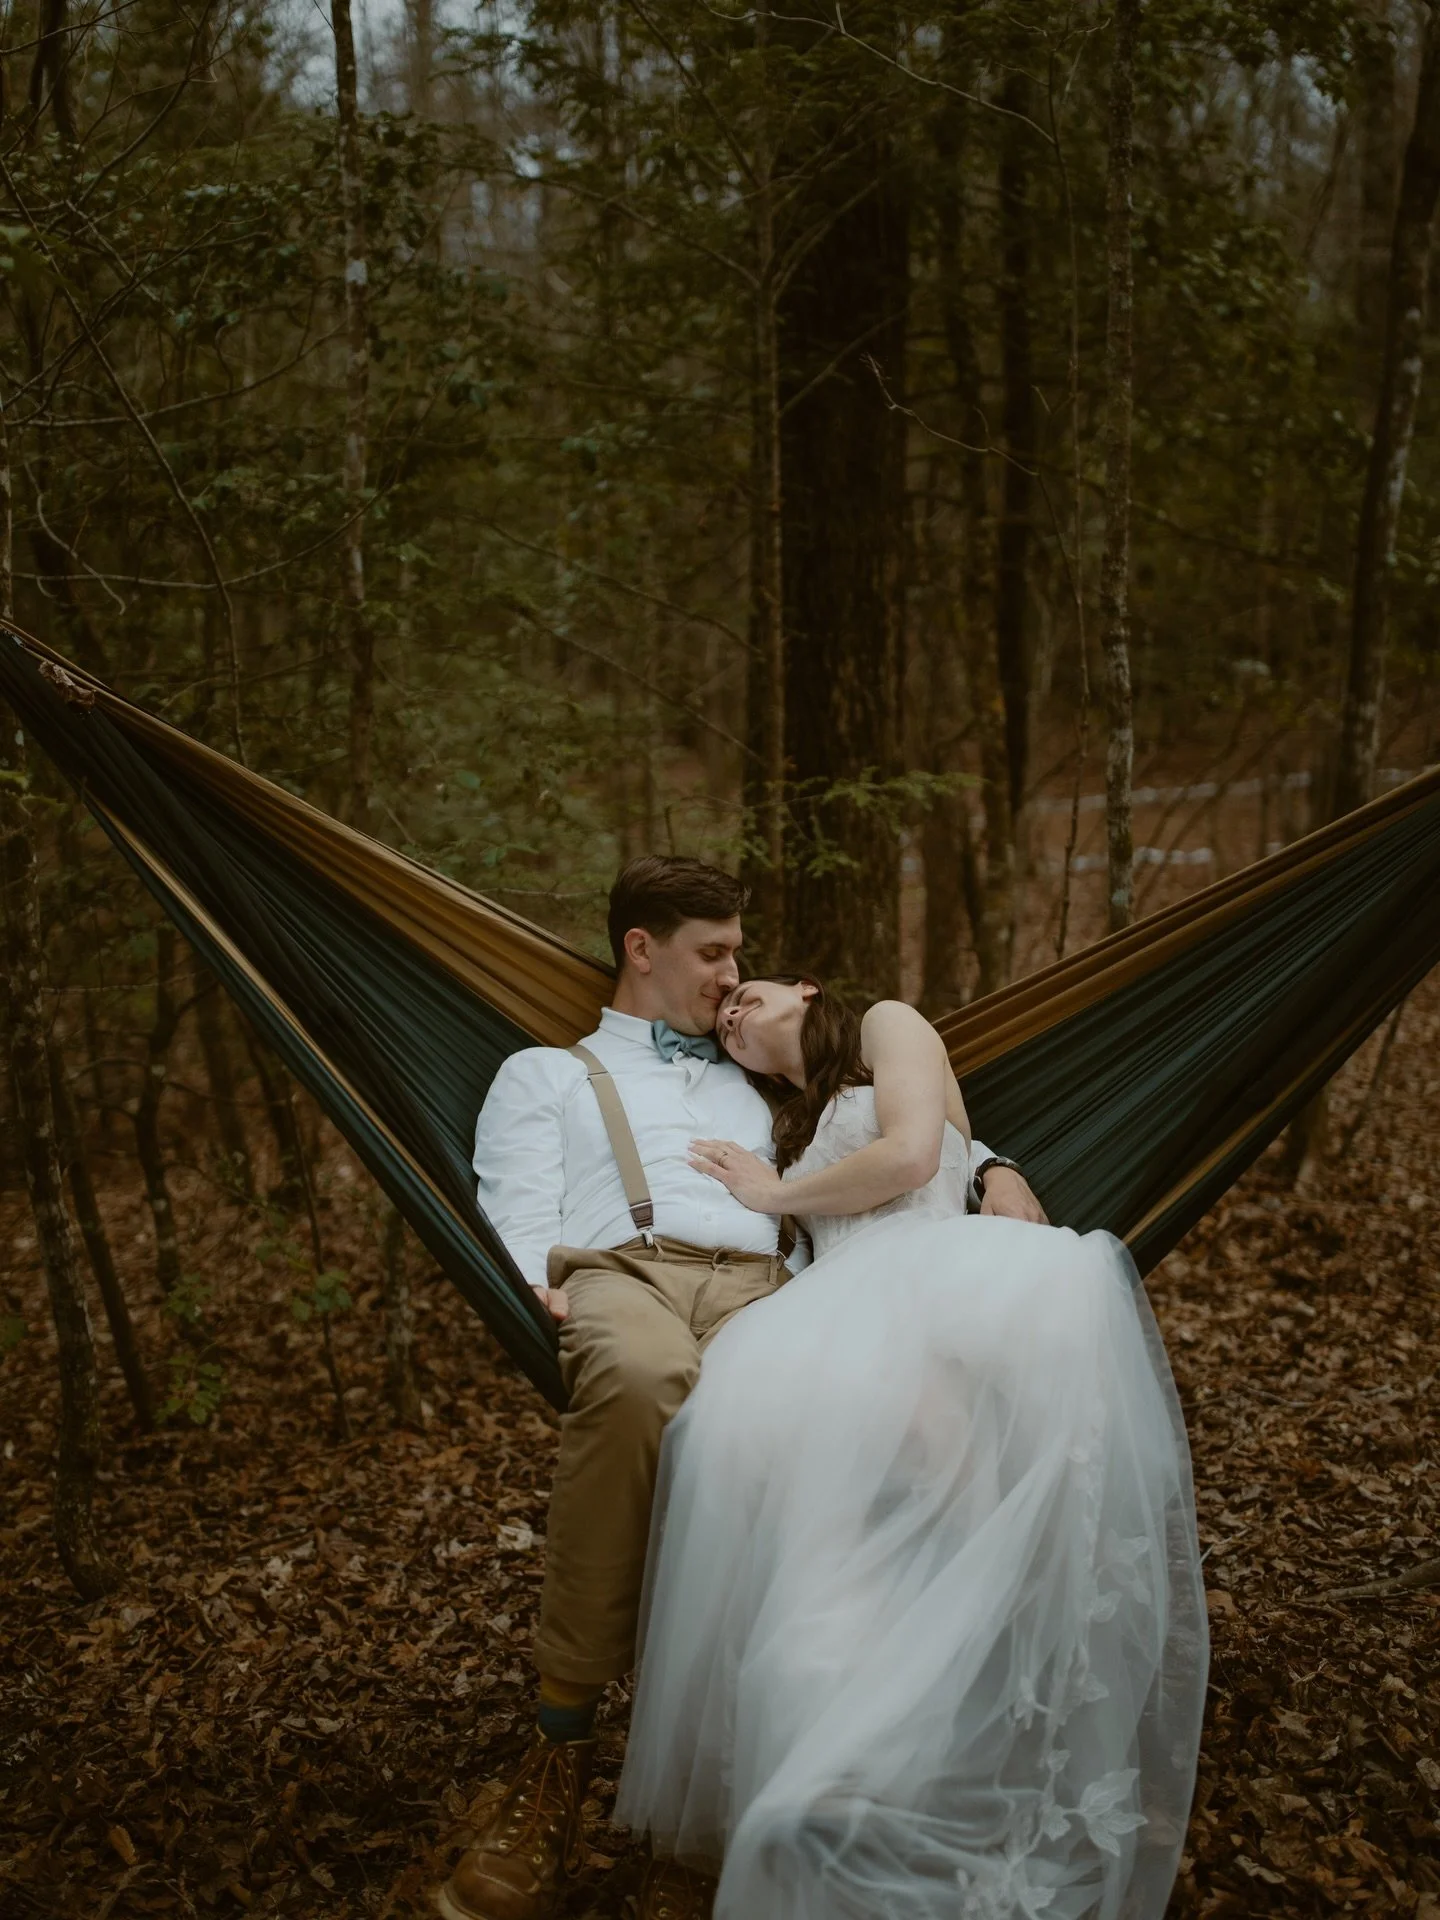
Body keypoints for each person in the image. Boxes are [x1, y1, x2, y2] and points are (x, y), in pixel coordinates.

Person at [436, 859, 1043, 1920]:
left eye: (738, 958)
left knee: (787, 1438)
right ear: (642, 948)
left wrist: (993, 1162)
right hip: (623, 1275)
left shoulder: (756, 1069)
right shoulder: (546, 1073)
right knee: (643, 1379)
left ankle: (732, 1783)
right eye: (713, 953)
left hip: (772, 1288)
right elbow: (519, 1202)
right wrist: (537, 1285)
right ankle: (558, 1750)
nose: (731, 977)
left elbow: (877, 1112)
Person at [613, 976, 1207, 1920]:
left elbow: (914, 1152)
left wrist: (792, 1188)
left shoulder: (885, 1026)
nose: (730, 1013)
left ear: (806, 990)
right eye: (721, 1018)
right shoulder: (782, 1119)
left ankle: (963, 1725)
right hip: (835, 1311)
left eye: (747, 994)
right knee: (827, 1532)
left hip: (938, 1280)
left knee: (952, 1495)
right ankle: (829, 1761)